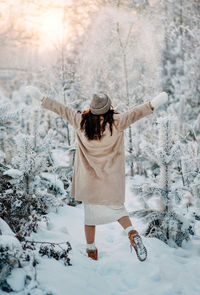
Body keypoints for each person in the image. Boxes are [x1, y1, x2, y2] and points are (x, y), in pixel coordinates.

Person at [27, 86, 168, 262]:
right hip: (111, 182)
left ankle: (91, 252)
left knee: (90, 218)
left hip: (89, 182)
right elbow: (136, 113)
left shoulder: (80, 121)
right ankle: (132, 233)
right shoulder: (117, 121)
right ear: (109, 107)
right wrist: (153, 103)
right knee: (120, 212)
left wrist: (41, 98)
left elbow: (61, 109)